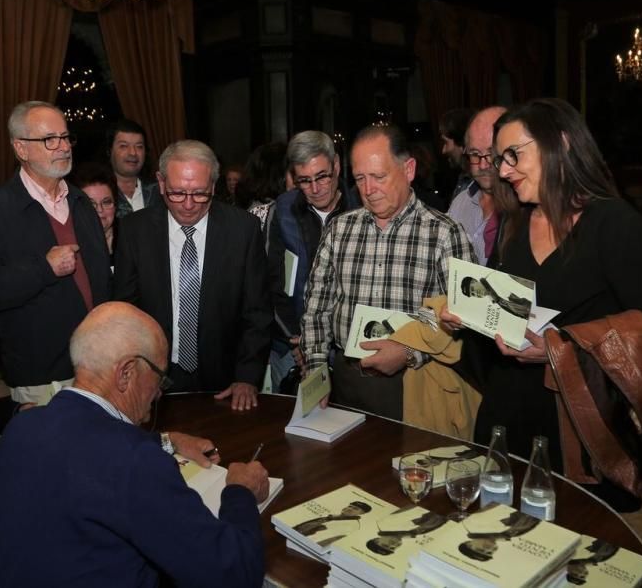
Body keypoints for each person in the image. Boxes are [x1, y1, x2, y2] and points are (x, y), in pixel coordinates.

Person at [441, 98, 642, 512]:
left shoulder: (613, 224)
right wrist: (472, 317)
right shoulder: (513, 226)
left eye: (513, 155)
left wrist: (560, 348)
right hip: (507, 415)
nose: (501, 170)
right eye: (499, 159)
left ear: (562, 143)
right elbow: (515, 317)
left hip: (578, 424)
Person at [0, 302, 269, 587]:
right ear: (126, 372)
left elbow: (83, 443)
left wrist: (168, 440)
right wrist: (240, 492)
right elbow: (233, 573)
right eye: (160, 377)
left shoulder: (23, 426)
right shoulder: (135, 462)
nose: (158, 393)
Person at [300, 125, 475, 419]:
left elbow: (464, 318)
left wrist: (409, 352)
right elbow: (317, 306)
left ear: (408, 170)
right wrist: (317, 371)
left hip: (414, 383)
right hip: (346, 379)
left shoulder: (444, 233)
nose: (368, 190)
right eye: (360, 179)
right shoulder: (340, 228)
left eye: (379, 177)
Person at [0, 101, 111, 405]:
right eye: (49, 140)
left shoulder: (82, 203)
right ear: (21, 148)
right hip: (43, 376)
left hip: (99, 364)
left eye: (66, 137)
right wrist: (43, 269)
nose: (63, 147)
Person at [114, 140, 272, 411]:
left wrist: (247, 377)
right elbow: (125, 313)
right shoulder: (134, 231)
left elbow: (257, 312)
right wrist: (137, 376)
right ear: (161, 183)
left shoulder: (243, 230)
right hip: (155, 376)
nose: (188, 205)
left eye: (200, 194)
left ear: (213, 186)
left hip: (224, 380)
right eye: (177, 193)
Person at [267, 131, 360, 391]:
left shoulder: (360, 208)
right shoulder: (282, 211)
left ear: (337, 166)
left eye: (322, 176)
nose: (316, 189)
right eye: (305, 181)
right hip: (290, 347)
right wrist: (299, 340)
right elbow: (271, 281)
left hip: (346, 350)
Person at [447, 107, 506, 265]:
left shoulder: (526, 211)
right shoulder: (460, 202)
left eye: (491, 153)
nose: (483, 164)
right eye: (474, 154)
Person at [108, 117, 161, 219]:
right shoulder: (100, 194)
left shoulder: (158, 191)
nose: (133, 153)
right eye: (124, 146)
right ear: (110, 150)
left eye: (139, 146)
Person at [72, 161, 119, 258]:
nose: (99, 210)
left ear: (115, 205)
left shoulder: (132, 238)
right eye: (91, 204)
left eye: (106, 202)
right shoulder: (72, 246)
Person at [438, 107, 477, 201]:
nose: (444, 150)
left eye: (446, 142)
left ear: (462, 143)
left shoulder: (479, 184)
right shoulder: (463, 178)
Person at [460, 276, 532, 319]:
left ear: (474, 281)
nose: (476, 293)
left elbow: (524, 291)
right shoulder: (494, 299)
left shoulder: (494, 280)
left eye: (473, 289)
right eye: (473, 294)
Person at [293, 501, 373, 537]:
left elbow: (320, 537)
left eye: (355, 509)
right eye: (350, 506)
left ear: (362, 513)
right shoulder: (331, 517)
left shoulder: (351, 525)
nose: (349, 509)